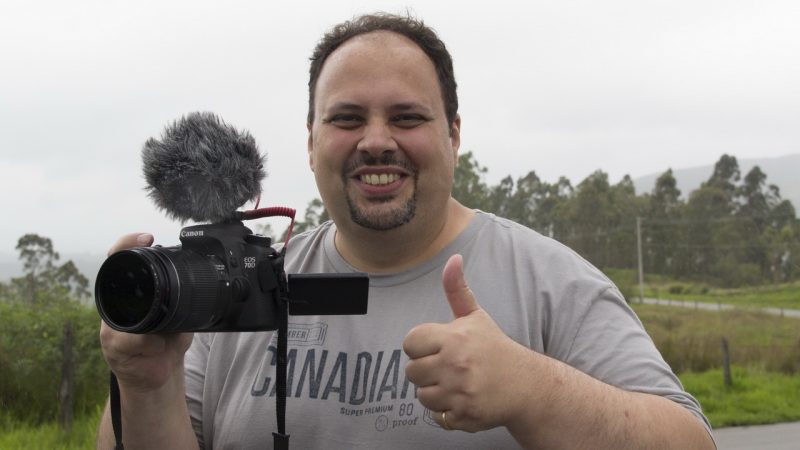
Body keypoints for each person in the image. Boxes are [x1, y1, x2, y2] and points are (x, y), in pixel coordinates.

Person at [98, 13, 716, 449]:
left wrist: (534, 391)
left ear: (453, 134)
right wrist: (145, 385)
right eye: (346, 119)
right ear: (311, 143)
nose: (375, 141)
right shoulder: (235, 294)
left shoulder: (550, 283)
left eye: (407, 117)